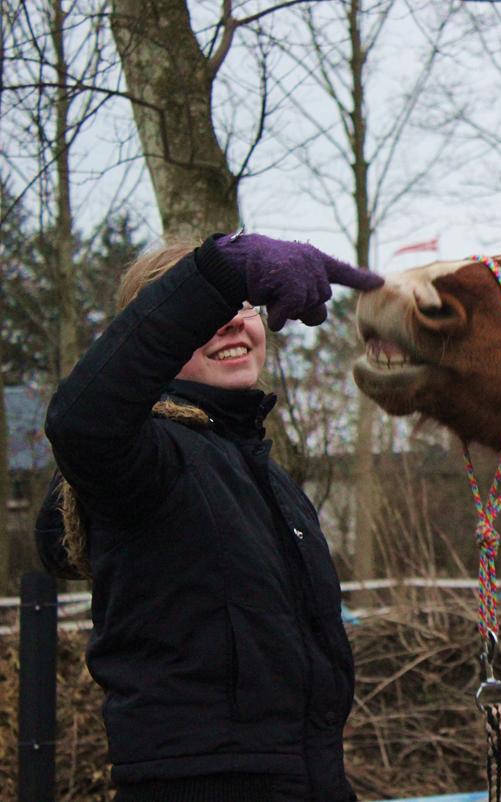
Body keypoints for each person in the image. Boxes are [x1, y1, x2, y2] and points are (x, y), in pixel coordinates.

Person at [38, 232, 384, 802]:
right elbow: (82, 423)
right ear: (149, 342)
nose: (232, 324)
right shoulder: (146, 462)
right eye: (206, 312)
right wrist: (222, 271)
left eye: (243, 307)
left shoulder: (271, 478)